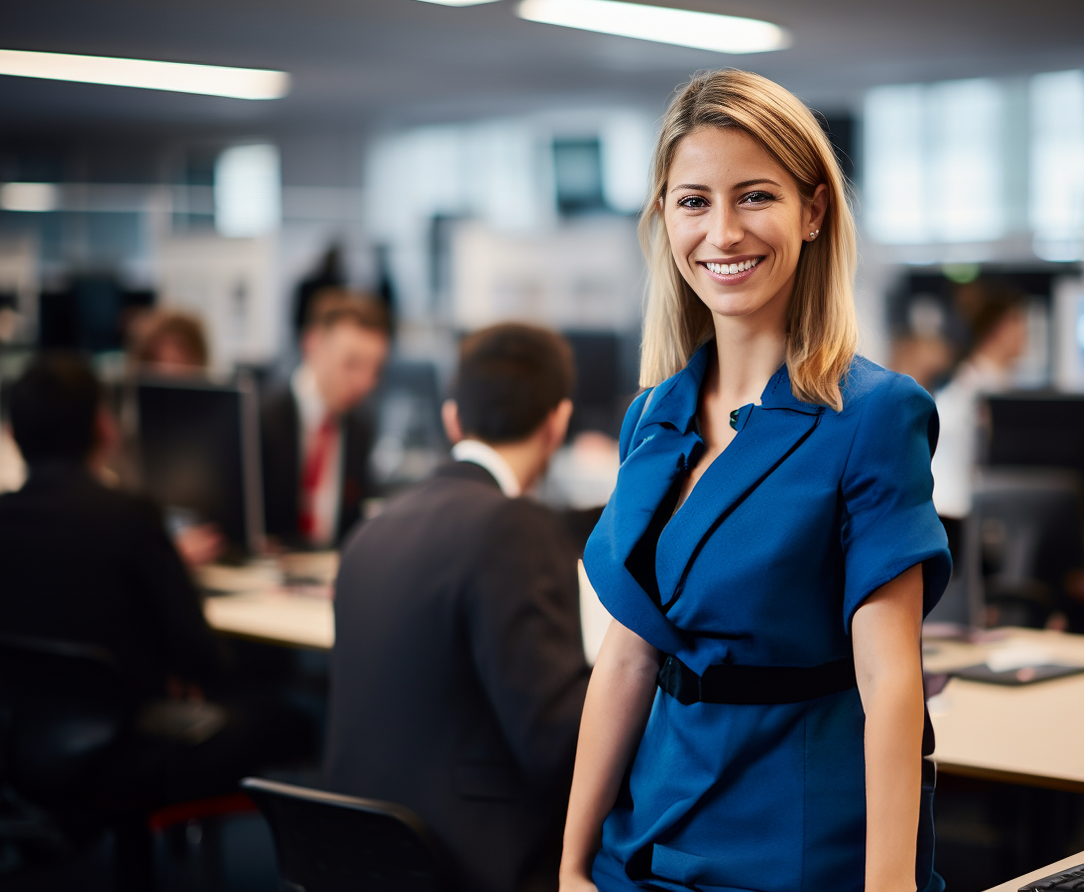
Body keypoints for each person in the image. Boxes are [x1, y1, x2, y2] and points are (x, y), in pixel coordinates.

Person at [559, 70, 952, 892]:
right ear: (664, 217)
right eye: (694, 201)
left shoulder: (873, 415)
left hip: (792, 839)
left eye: (756, 196)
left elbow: (889, 680)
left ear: (813, 212)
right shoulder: (653, 418)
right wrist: (571, 861)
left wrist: (890, 887)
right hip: (649, 829)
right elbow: (629, 657)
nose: (724, 232)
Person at [0, 354, 310, 813]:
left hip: (28, 746)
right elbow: (202, 660)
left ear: (11, 434)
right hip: (134, 755)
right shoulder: (127, 517)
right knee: (296, 719)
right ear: (105, 427)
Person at [325, 323, 592, 892]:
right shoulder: (514, 527)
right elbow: (556, 744)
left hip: (354, 855)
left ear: (453, 420)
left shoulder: (370, 531)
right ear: (558, 422)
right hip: (469, 864)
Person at [260, 291, 390, 548]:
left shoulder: (360, 427)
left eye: (376, 369)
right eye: (352, 364)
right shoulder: (261, 417)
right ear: (313, 344)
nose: (365, 382)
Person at [931, 284, 1028, 520]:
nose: (1026, 336)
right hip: (961, 514)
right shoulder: (970, 386)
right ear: (1001, 328)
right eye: (1020, 326)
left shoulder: (993, 383)